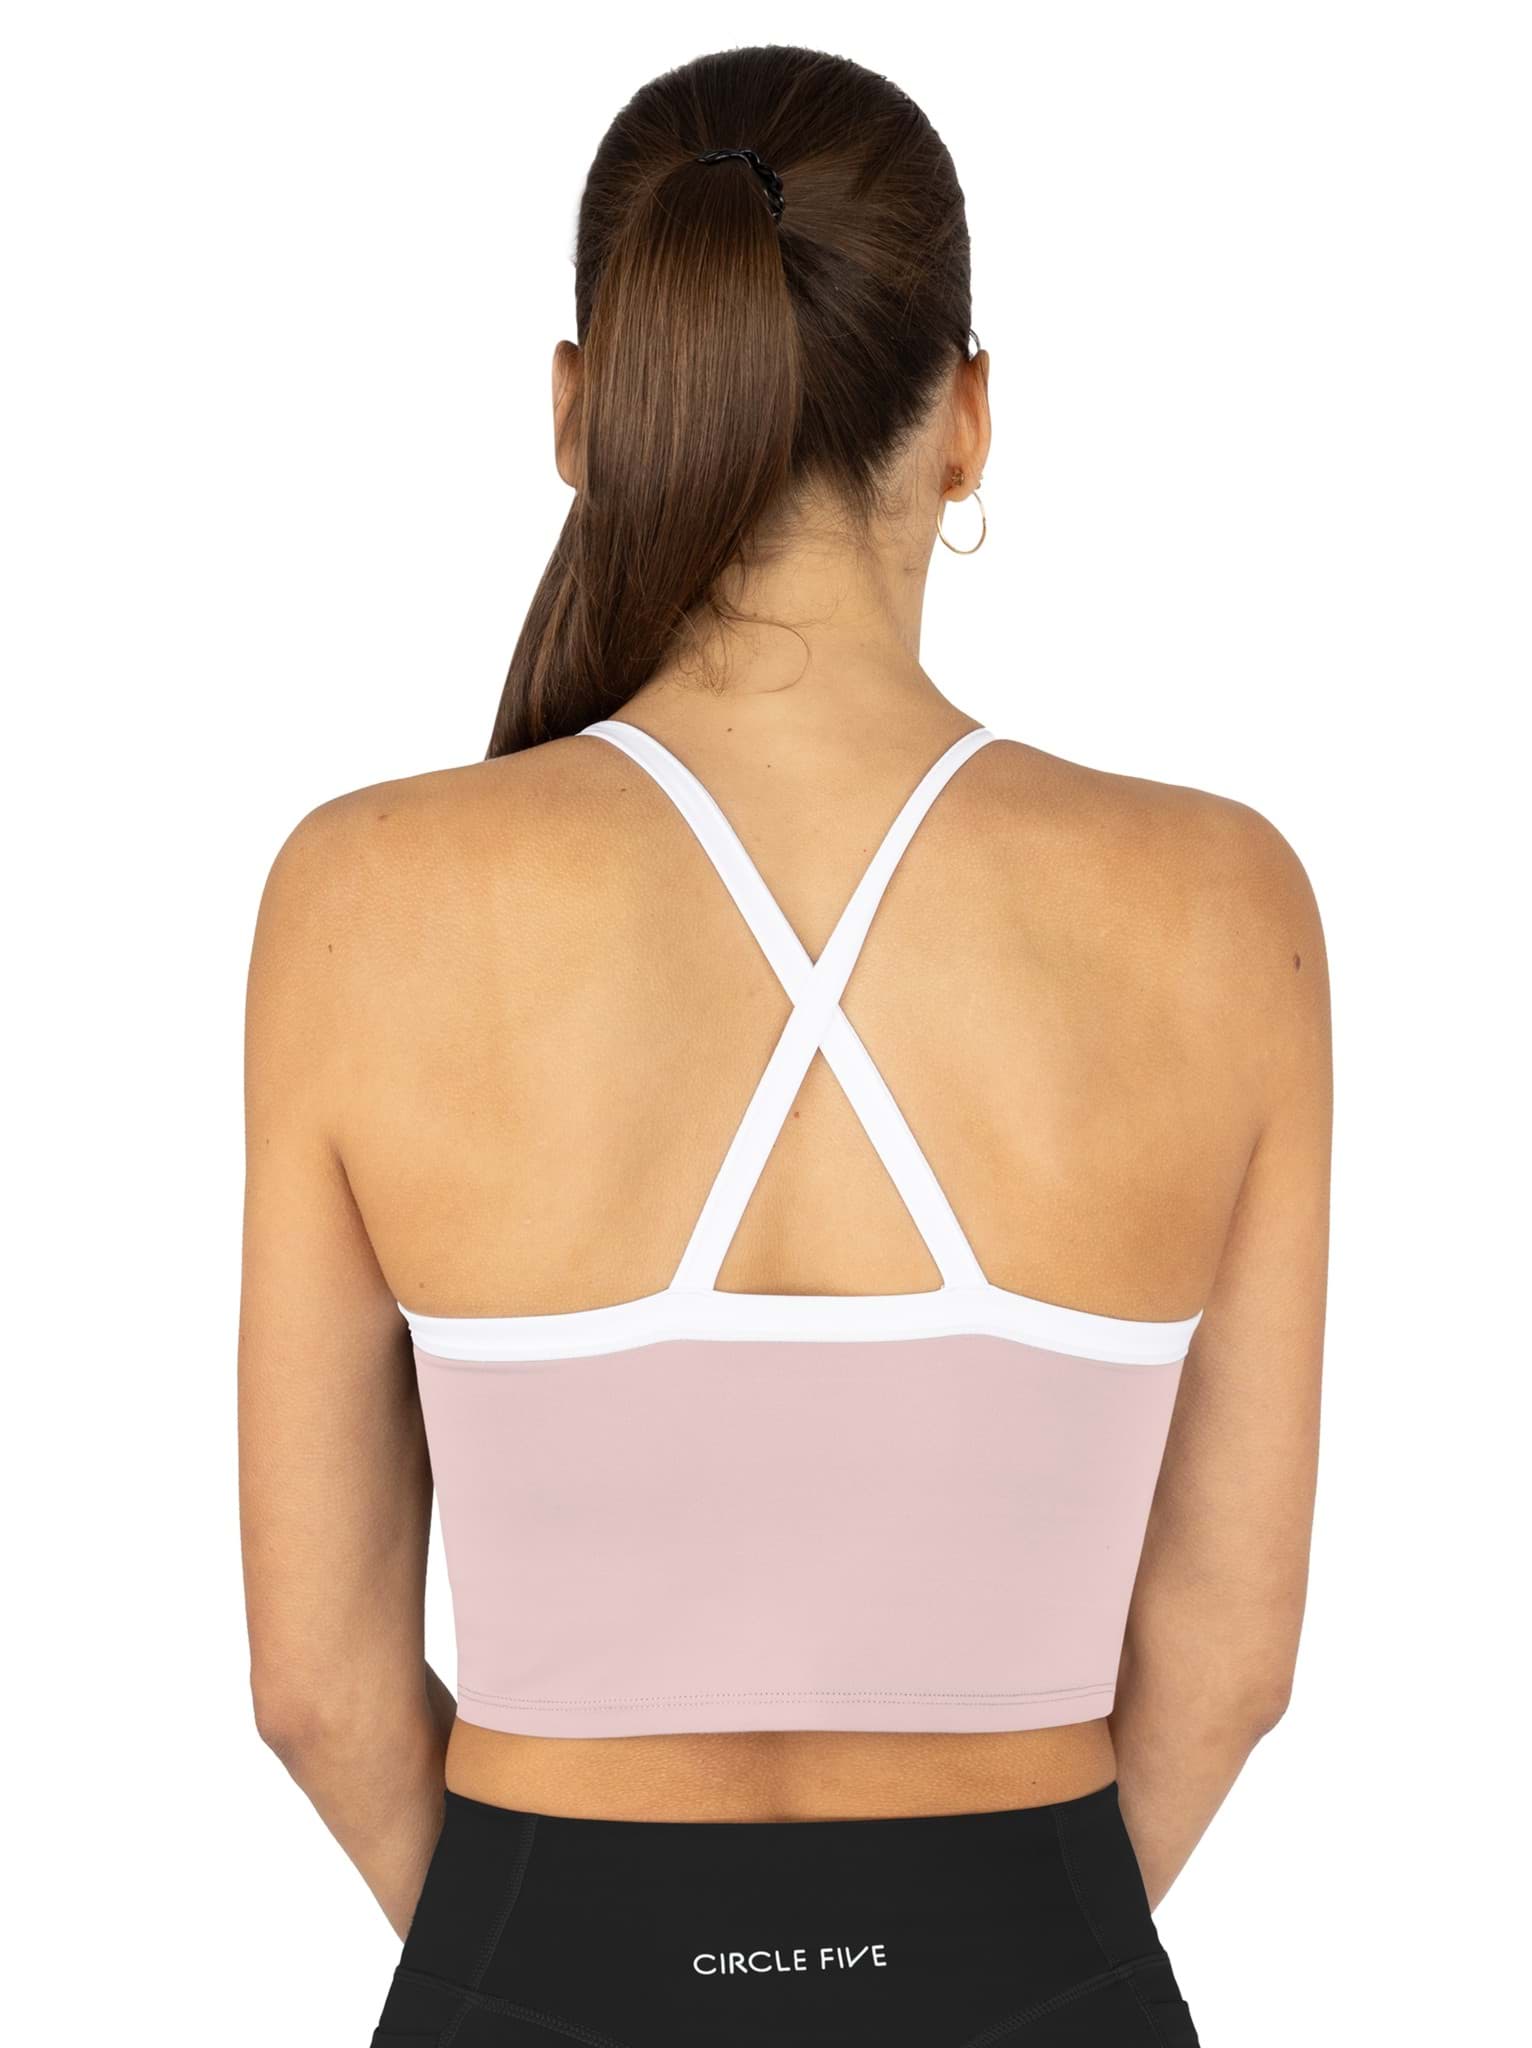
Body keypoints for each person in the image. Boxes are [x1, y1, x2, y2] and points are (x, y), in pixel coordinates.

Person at [239, 44, 1329, 2047]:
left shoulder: (362, 895)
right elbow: (1232, 1661)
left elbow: (315, 1685)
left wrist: (541, 1975)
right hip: (1034, 1977)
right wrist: (1012, 1977)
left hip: (539, 1978)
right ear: (968, 419)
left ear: (582, 410)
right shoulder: (1216, 903)